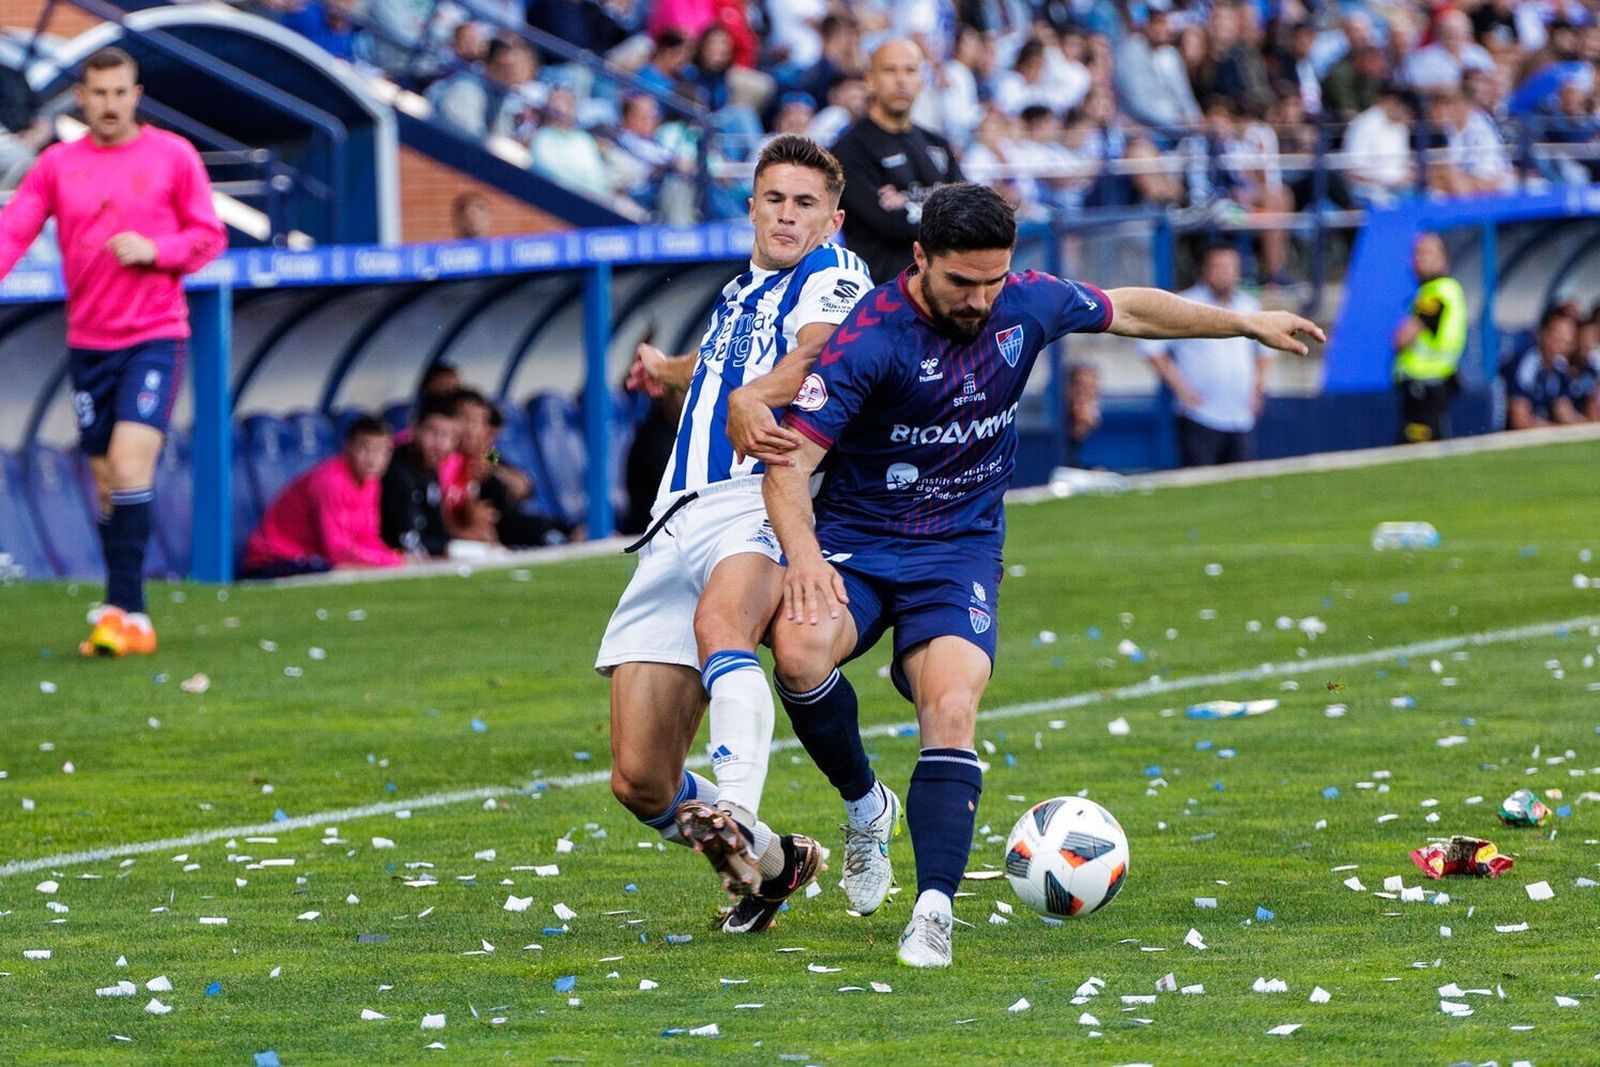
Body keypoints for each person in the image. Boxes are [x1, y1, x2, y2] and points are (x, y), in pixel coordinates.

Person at [758, 183, 1320, 968]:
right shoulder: (870, 338)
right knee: (798, 654)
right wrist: (807, 556)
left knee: (951, 706)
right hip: (861, 541)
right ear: (920, 259)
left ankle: (932, 910)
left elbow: (1133, 308)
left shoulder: (1028, 304)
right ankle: (864, 807)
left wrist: (1245, 323)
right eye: (962, 283)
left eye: (994, 280)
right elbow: (788, 465)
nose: (981, 299)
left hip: (959, 551)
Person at [595, 134, 874, 934]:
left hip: (760, 495)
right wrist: (667, 369)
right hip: (672, 518)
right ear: (751, 205)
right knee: (640, 780)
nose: (788, 216)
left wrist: (760, 398)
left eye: (805, 204)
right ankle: (778, 863)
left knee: (725, 626)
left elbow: (817, 355)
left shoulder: (836, 274)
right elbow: (719, 367)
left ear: (833, 219)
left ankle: (740, 812)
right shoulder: (739, 291)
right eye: (775, 199)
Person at [0, 48, 225, 657]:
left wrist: (156, 250)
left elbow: (209, 236)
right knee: (105, 482)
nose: (109, 104)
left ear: (136, 94)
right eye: (98, 94)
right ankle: (133, 612)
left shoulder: (172, 156)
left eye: (120, 93)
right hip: (88, 341)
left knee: (128, 464)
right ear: (81, 97)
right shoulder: (56, 165)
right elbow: (15, 228)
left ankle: (123, 610)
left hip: (154, 334)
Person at [830, 39, 963, 285]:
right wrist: (941, 207)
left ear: (921, 80)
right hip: (883, 291)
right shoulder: (849, 149)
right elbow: (891, 225)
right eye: (890, 70)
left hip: (941, 288)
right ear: (869, 80)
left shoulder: (937, 143)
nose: (901, 80)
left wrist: (907, 204)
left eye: (910, 70)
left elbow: (967, 210)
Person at [1142, 245, 1274, 466]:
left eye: (1230, 267)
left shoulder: (1248, 305)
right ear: (1205, 270)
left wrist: (1257, 388)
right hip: (1201, 415)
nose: (1225, 273)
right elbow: (1151, 348)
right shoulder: (1186, 304)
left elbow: (1264, 350)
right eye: (1219, 267)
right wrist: (1182, 389)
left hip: (1240, 416)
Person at [243, 415, 405, 578]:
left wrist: (395, 559)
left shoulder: (371, 482)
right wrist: (391, 562)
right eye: (365, 449)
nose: (373, 459)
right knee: (345, 571)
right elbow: (336, 550)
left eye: (382, 451)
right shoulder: (331, 481)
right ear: (348, 447)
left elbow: (367, 537)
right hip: (274, 560)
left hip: (313, 560)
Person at [1393, 233, 1468, 443]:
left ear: (1443, 258)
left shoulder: (1436, 292)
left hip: (1427, 386)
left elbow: (1402, 338)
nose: (1419, 259)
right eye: (1416, 253)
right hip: (1433, 384)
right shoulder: (1443, 289)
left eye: (1426, 253)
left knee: (1419, 449)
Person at [380, 392, 458, 558]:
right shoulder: (396, 472)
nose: (439, 444)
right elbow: (404, 540)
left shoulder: (430, 468)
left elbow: (437, 528)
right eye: (433, 433)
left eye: (446, 436)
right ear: (415, 428)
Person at [1504, 307, 1590, 429]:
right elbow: (1520, 421)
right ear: (1542, 333)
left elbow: (1564, 411)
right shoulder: (1525, 364)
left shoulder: (1559, 367)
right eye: (1557, 338)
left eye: (1566, 341)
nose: (1560, 346)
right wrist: (1558, 431)